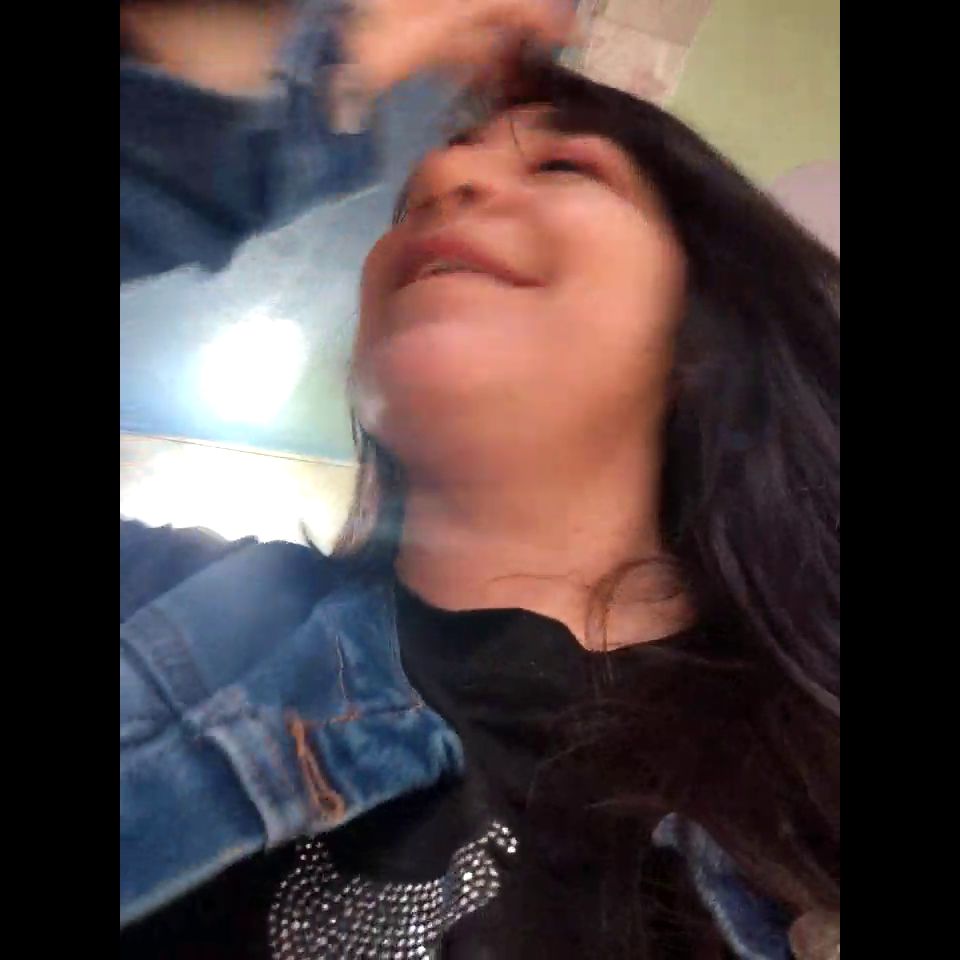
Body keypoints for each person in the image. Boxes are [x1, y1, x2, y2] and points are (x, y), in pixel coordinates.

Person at [120, 2, 840, 958]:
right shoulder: (161, 607)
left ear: (706, 333)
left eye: (566, 168)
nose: (440, 177)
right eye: (416, 192)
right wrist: (320, 72)